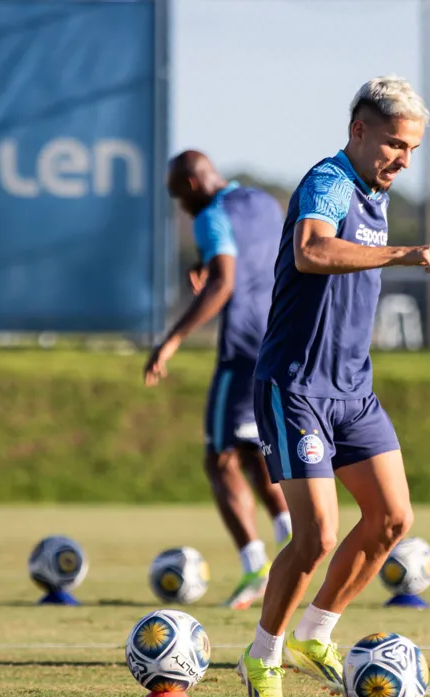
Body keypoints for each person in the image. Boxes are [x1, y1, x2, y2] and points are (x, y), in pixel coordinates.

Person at [236, 76, 430, 697]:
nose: (403, 159)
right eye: (394, 143)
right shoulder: (330, 180)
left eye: (413, 149)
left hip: (353, 390)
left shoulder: (374, 190)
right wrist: (405, 254)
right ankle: (262, 659)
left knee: (393, 518)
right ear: (358, 131)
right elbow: (311, 252)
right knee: (315, 537)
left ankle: (315, 634)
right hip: (296, 386)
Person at [144, 150, 293, 610]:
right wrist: (203, 260)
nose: (180, 207)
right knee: (256, 454)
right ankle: (294, 543)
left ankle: (256, 567)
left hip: (242, 352)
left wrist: (171, 340)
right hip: (283, 341)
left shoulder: (210, 215)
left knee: (220, 458)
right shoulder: (265, 203)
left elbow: (225, 282)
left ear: (190, 184)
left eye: (176, 196)